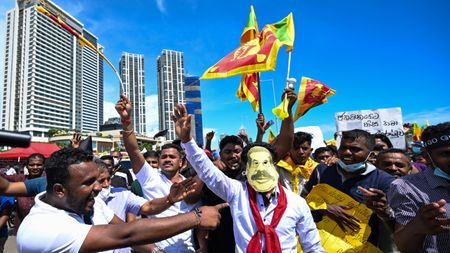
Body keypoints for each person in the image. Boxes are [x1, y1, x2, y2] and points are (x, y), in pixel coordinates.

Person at [173, 103, 324, 253]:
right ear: (247, 167)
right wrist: (187, 140)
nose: (260, 169)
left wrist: (288, 110)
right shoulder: (237, 192)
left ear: (274, 164)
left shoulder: (297, 203)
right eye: (254, 163)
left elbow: (313, 248)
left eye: (265, 163)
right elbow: (207, 171)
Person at [16, 148, 225, 253]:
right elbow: (126, 234)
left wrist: (156, 251)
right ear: (60, 190)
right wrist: (195, 217)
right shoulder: (40, 229)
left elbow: (129, 229)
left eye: (99, 180)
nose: (99, 188)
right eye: (89, 183)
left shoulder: (90, 203)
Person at [115, 95, 203, 253]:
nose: (167, 159)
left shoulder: (191, 185)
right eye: (163, 156)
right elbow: (134, 150)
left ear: (182, 163)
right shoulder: (151, 177)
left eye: (172, 157)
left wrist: (203, 247)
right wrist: (126, 121)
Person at [304, 129, 395, 250]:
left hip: (361, 248)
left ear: (371, 154)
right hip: (318, 245)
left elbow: (396, 222)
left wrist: (385, 210)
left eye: (355, 149)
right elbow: (301, 201)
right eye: (343, 148)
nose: (346, 152)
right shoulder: (322, 171)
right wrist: (324, 208)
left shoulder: (384, 180)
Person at [95, 159, 197, 253]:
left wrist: (169, 199)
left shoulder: (122, 194)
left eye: (108, 179)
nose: (106, 184)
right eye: (101, 180)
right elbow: (128, 231)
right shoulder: (84, 203)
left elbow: (148, 206)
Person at [388, 122, 450, 252]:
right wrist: (416, 228)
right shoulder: (406, 187)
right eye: (445, 154)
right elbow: (405, 247)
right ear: (427, 157)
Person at [1, 153, 45, 235]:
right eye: (32, 165)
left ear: (43, 166)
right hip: (23, 229)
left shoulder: (50, 180)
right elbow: (3, 179)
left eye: (39, 165)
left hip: (44, 229)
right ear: (27, 166)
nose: (35, 167)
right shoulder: (19, 179)